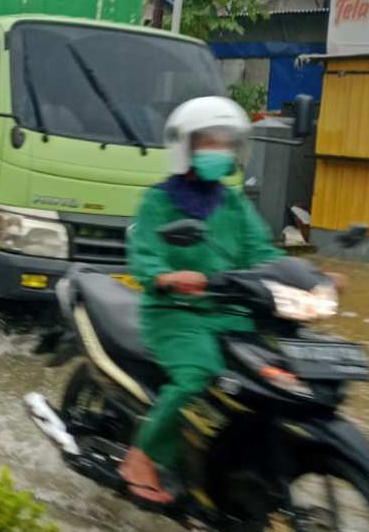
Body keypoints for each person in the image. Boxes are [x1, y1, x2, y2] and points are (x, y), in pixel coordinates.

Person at [119, 96, 283, 505]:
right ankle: (142, 456)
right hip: (176, 313)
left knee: (277, 373)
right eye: (209, 142)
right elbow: (145, 255)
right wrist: (169, 276)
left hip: (230, 313)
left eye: (226, 143)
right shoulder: (158, 201)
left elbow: (263, 252)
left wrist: (311, 279)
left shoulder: (234, 204)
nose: (219, 151)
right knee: (197, 374)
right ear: (186, 147)